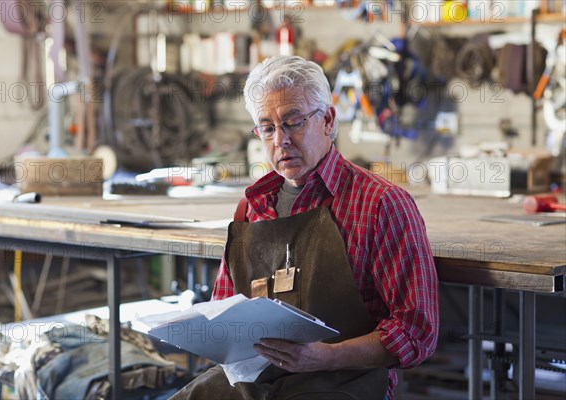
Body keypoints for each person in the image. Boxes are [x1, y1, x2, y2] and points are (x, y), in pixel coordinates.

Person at [171, 55, 438, 400]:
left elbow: (416, 332)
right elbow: (223, 306)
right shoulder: (252, 207)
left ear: (327, 120)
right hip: (255, 380)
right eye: (267, 128)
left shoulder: (380, 204)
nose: (280, 140)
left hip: (341, 382)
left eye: (293, 122)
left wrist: (327, 356)